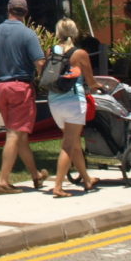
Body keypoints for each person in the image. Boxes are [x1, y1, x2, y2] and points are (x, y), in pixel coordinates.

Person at [0, 0, 49, 194]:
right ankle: (3, 181)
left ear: (8, 10)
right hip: (20, 87)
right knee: (14, 134)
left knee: (19, 135)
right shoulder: (28, 35)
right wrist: (48, 81)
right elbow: (40, 63)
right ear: (25, 12)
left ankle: (35, 175)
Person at [47, 18, 105, 198]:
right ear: (75, 32)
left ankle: (87, 179)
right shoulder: (80, 53)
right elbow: (90, 81)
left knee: (74, 142)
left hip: (54, 101)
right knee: (68, 145)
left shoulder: (52, 50)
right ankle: (58, 185)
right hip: (73, 101)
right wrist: (99, 86)